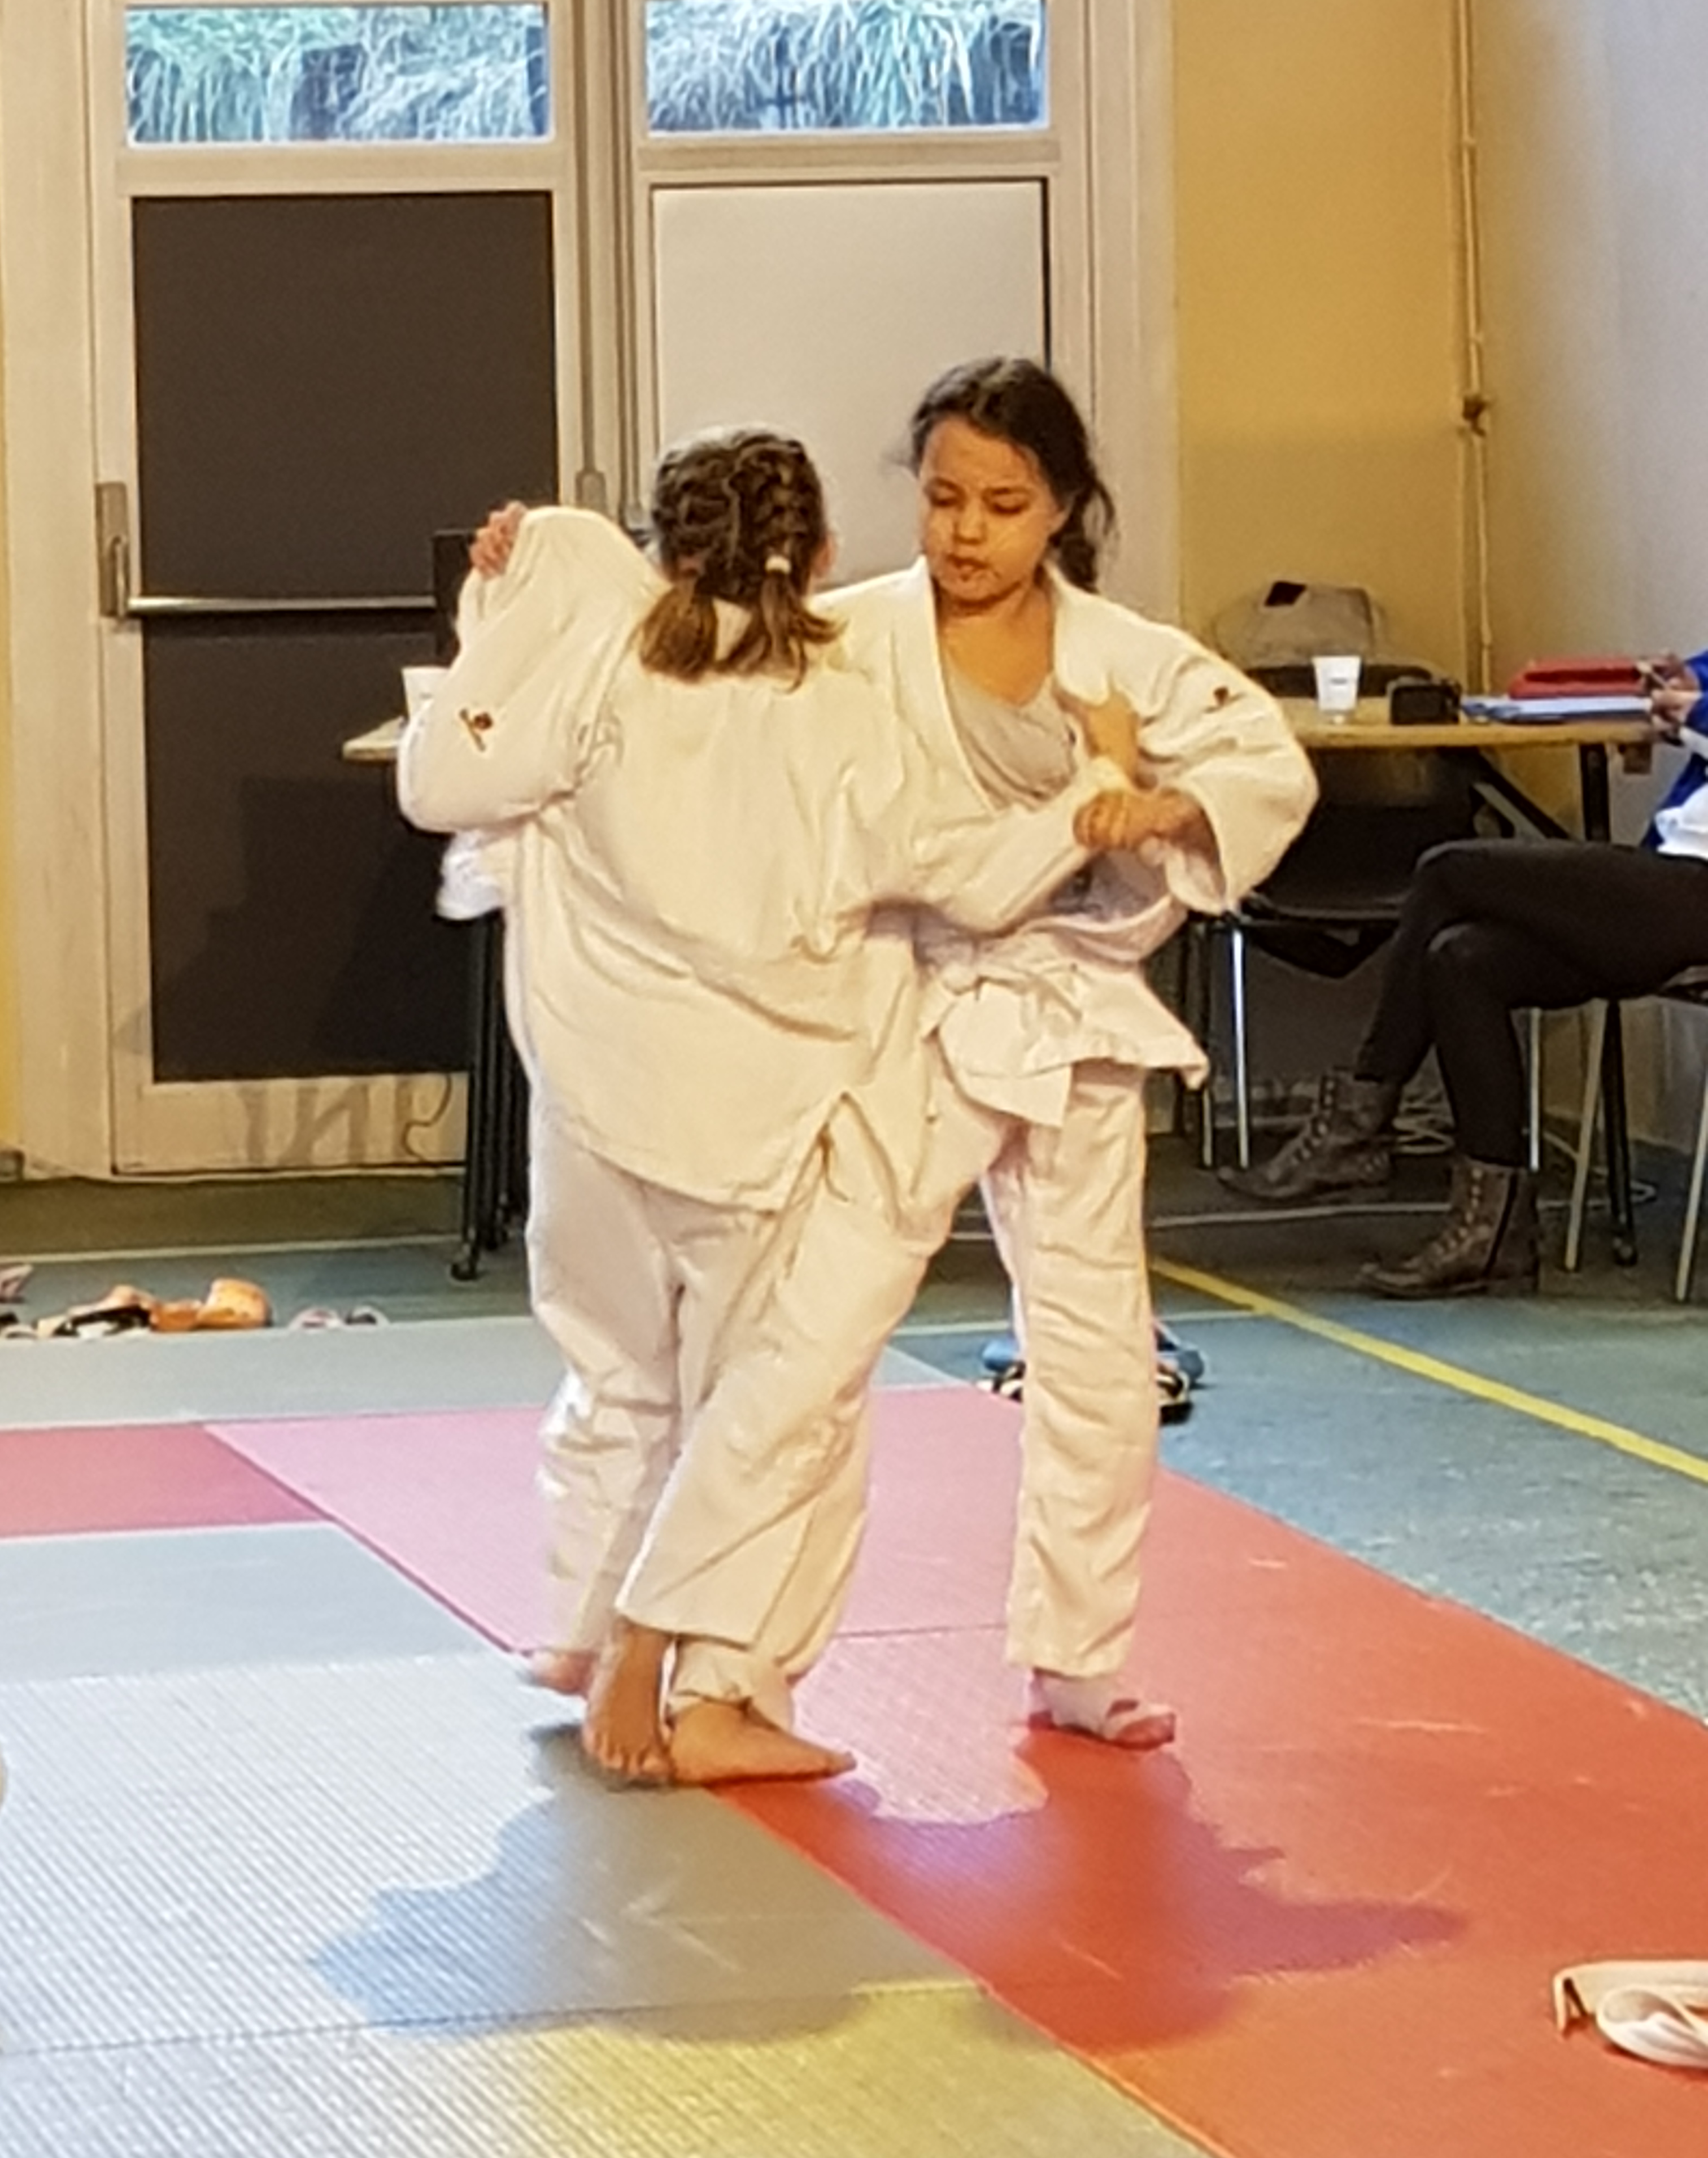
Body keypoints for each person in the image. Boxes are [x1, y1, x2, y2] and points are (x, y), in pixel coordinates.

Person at [402, 428, 1155, 1784]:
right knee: (778, 1410)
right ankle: (723, 1688)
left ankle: (582, 1620)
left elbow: (441, 779)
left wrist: (504, 607)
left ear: (664, 549)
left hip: (590, 1097)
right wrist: (1098, 788)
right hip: (758, 1120)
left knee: (618, 1374)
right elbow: (980, 879)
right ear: (820, 558)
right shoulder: (849, 713)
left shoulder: (597, 666)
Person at [825, 359, 1316, 1747]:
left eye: (1002, 504)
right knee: (820, 1334)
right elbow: (686, 683)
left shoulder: (1125, 657)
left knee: (1099, 1354)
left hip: (1077, 1012)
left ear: (1063, 507)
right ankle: (740, 1656)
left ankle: (1079, 1659)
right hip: (908, 1008)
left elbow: (1268, 767)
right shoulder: (849, 639)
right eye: (943, 499)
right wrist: (527, 585)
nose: (965, 532)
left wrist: (1167, 809)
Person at [1222, 653, 1708, 1297]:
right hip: (1673, 876)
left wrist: (1698, 714)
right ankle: (1494, 1233)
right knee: (1462, 959)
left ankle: (1361, 1116)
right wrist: (1691, 682)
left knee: (1448, 870)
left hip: (1695, 895)